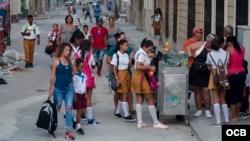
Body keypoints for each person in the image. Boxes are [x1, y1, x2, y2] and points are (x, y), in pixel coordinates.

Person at [131, 38, 168, 129]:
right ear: (144, 47)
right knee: (150, 99)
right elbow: (138, 66)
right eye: (149, 49)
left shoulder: (140, 53)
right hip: (142, 78)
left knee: (139, 98)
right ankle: (156, 122)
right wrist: (150, 67)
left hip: (137, 77)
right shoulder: (142, 55)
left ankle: (140, 122)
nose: (150, 51)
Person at [48, 42, 75, 140]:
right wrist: (50, 90)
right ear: (62, 50)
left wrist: (74, 65)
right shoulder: (56, 62)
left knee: (69, 108)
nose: (68, 52)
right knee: (57, 108)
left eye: (69, 50)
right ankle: (51, 124)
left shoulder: (70, 62)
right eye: (66, 50)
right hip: (58, 89)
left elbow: (72, 75)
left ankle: (68, 131)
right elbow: (52, 76)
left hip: (69, 89)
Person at [106, 32, 135, 115]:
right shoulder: (114, 50)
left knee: (128, 91)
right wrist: (116, 62)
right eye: (122, 39)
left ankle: (130, 108)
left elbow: (129, 63)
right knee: (119, 92)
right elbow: (108, 61)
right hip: (119, 73)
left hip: (127, 73)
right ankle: (121, 111)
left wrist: (130, 58)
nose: (124, 41)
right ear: (118, 40)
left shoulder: (127, 51)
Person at [187, 34, 214, 118]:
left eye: (209, 42)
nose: (207, 43)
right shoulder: (201, 44)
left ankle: (207, 110)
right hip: (196, 70)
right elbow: (189, 47)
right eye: (207, 41)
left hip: (206, 71)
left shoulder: (215, 49)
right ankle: (199, 110)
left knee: (206, 91)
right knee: (197, 90)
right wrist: (190, 55)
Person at [206, 35, 229, 127]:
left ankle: (218, 121)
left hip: (214, 75)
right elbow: (227, 64)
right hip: (224, 75)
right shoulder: (226, 53)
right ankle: (226, 120)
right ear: (222, 44)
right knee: (223, 98)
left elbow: (208, 66)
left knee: (216, 99)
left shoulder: (210, 54)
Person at [226, 36, 246, 122]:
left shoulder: (229, 49)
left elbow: (227, 62)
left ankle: (233, 117)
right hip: (242, 73)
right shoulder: (242, 48)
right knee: (239, 94)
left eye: (227, 42)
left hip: (232, 74)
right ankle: (237, 115)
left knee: (232, 95)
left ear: (230, 42)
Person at [182, 27, 204, 108]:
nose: (201, 34)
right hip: (190, 66)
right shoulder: (189, 42)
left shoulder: (201, 42)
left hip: (199, 67)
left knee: (199, 87)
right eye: (200, 32)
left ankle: (201, 102)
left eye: (202, 32)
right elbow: (184, 54)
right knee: (190, 87)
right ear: (195, 33)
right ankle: (186, 102)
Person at [72, 58, 87, 135]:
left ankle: (75, 120)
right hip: (77, 95)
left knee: (84, 111)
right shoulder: (74, 77)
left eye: (83, 66)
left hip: (83, 95)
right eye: (81, 67)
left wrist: (86, 95)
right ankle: (79, 127)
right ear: (77, 67)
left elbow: (84, 86)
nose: (83, 68)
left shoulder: (84, 75)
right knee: (79, 111)